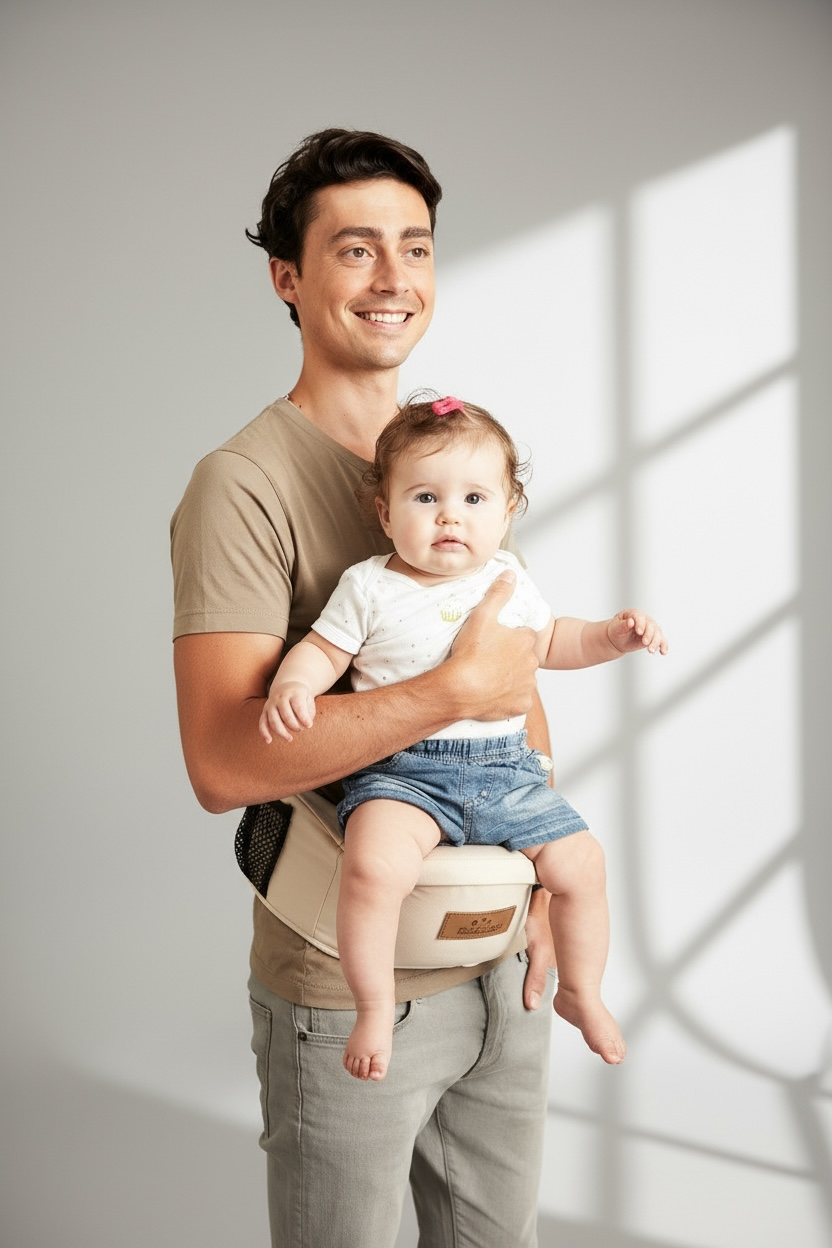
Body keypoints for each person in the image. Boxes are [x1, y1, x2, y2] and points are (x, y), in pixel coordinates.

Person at [171, 129, 564, 1248]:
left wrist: (542, 875)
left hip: (500, 957)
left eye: (417, 247)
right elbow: (222, 761)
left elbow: (512, 665)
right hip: (349, 986)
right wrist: (448, 694)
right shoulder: (242, 485)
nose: (394, 279)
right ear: (287, 279)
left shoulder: (450, 453)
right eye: (355, 250)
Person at [259, 395, 668, 1082]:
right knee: (372, 868)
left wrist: (610, 637)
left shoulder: (509, 581)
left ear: (507, 513)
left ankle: (581, 991)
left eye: (475, 497)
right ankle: (373, 1006)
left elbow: (551, 643)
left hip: (507, 772)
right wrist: (292, 685)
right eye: (426, 497)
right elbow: (324, 651)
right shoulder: (370, 587)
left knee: (582, 866)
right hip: (403, 774)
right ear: (386, 513)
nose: (451, 515)